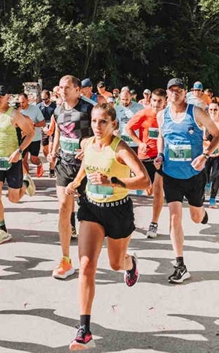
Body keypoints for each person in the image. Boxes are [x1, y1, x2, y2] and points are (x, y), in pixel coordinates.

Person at [65, 102, 150, 350]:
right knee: (86, 266)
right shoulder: (87, 143)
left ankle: (130, 263)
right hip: (91, 209)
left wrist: (112, 180)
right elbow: (86, 165)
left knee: (115, 264)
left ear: (114, 124)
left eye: (103, 122)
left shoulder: (120, 149)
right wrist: (76, 183)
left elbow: (144, 179)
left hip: (118, 211)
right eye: (94, 121)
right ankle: (84, 329)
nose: (97, 126)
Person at [156, 78, 219, 284]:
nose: (175, 93)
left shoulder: (196, 112)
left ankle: (202, 213)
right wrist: (159, 154)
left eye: (179, 90)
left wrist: (205, 155)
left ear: (185, 93)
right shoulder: (161, 115)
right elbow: (161, 136)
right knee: (174, 217)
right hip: (171, 174)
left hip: (194, 175)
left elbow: (217, 134)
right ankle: (180, 264)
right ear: (167, 93)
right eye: (171, 90)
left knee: (195, 217)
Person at [48, 75, 94, 279]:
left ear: (78, 90)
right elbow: (58, 131)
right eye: (61, 87)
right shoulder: (58, 109)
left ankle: (94, 254)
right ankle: (66, 260)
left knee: (90, 214)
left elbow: (106, 131)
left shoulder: (89, 109)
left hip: (87, 167)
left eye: (67, 88)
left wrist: (89, 147)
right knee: (63, 209)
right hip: (64, 165)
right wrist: (53, 150)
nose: (63, 91)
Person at [0, 86, 36, 245]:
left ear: (8, 97)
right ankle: (2, 229)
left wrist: (19, 151)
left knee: (14, 199)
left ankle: (25, 182)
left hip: (13, 162)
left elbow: (31, 133)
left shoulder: (14, 114)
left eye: (0, 97)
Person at [126, 88, 167, 238]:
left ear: (165, 102)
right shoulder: (144, 113)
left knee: (158, 189)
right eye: (154, 100)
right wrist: (139, 142)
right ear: (150, 100)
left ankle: (153, 223)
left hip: (160, 157)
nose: (156, 104)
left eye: (160, 101)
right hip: (144, 156)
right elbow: (128, 128)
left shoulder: (168, 115)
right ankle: (129, 217)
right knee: (145, 187)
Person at [18, 92, 46, 178]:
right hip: (23, 139)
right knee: (23, 159)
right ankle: (27, 177)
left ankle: (39, 164)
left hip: (35, 138)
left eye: (23, 102)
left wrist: (33, 125)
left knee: (33, 159)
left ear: (28, 100)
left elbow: (43, 123)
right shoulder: (17, 111)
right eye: (20, 102)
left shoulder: (35, 109)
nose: (21, 104)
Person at [38, 90, 57, 174]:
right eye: (42, 99)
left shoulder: (54, 106)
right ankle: (50, 160)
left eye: (46, 99)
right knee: (45, 149)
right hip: (43, 128)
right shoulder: (39, 107)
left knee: (51, 148)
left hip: (53, 128)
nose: (44, 101)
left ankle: (52, 169)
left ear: (49, 98)